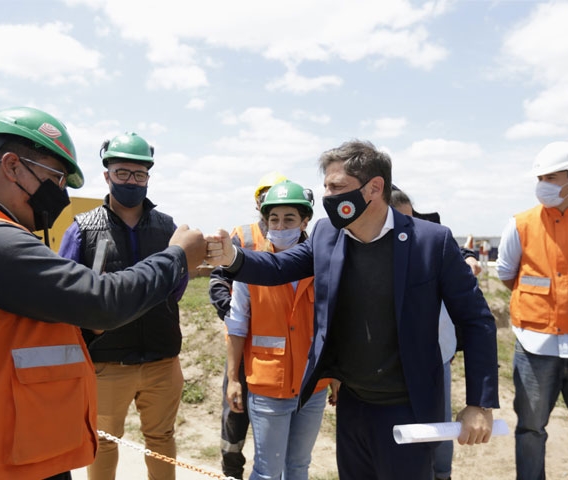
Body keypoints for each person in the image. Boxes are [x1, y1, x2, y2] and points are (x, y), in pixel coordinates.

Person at [0, 107, 207, 480]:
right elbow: (100, 302)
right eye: (57, 178)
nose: (60, 194)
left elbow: (34, 327)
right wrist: (177, 257)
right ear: (13, 166)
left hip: (13, 448)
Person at [207, 139, 499, 480]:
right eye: (326, 187)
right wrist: (232, 258)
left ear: (374, 188)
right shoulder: (328, 234)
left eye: (337, 187)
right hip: (353, 405)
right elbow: (277, 268)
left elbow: (477, 321)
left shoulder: (432, 242)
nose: (329, 197)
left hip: (409, 406)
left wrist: (479, 404)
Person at [58, 132, 186, 480]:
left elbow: (177, 288)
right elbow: (67, 296)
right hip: (106, 363)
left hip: (162, 359)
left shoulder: (167, 228)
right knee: (104, 441)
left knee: (162, 437)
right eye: (122, 173)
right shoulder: (82, 229)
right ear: (107, 175)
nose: (131, 181)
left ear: (148, 176)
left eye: (139, 174)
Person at [225, 179, 331, 480]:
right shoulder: (254, 265)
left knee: (298, 467)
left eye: (289, 219)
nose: (280, 225)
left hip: (314, 385)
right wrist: (233, 379)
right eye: (274, 219)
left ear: (304, 222)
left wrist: (336, 374)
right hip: (269, 384)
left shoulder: (323, 265)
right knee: (267, 471)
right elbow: (236, 325)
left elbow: (333, 323)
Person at [390, 186, 481, 480]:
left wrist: (467, 256)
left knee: (438, 427)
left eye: (411, 219)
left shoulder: (430, 243)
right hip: (389, 363)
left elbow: (452, 248)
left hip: (436, 357)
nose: (407, 228)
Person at [496, 141, 568, 480]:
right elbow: (507, 274)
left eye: (552, 177)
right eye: (540, 177)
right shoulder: (521, 224)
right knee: (530, 428)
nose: (544, 184)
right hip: (534, 344)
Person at [208, 170, 287, 479]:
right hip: (241, 344)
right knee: (235, 413)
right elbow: (219, 279)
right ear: (258, 201)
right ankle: (231, 471)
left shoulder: (300, 238)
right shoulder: (244, 234)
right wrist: (234, 313)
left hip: (281, 346)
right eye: (265, 196)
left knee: (277, 417)